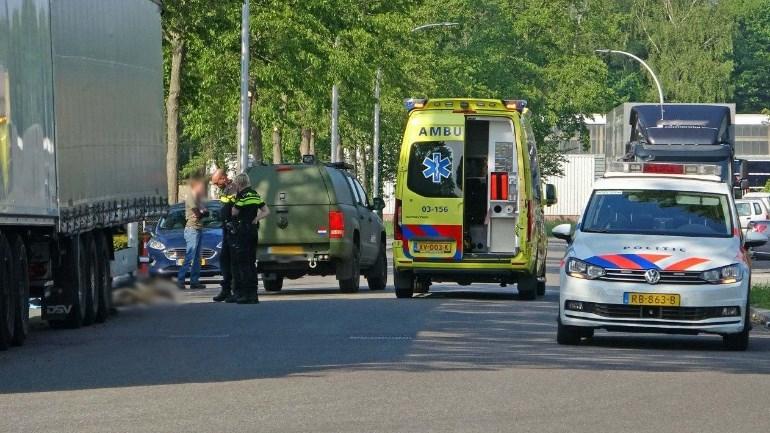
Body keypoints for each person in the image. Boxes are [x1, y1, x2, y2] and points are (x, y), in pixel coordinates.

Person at [229, 173, 270, 304]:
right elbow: (266, 211)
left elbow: (234, 212)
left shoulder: (242, 195)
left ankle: (246, 294)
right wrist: (256, 218)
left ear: (239, 183)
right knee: (252, 262)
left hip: (243, 231)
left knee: (243, 262)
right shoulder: (255, 194)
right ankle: (254, 294)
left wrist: (234, 202)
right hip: (253, 231)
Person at [211, 169, 239, 303]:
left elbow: (233, 208)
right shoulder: (225, 189)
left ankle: (234, 290)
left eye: (217, 183)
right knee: (224, 260)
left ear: (223, 178)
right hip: (226, 228)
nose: (217, 186)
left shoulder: (233, 188)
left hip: (233, 228)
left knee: (232, 261)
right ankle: (226, 289)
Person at [177, 177, 208, 290]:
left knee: (197, 258)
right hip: (192, 229)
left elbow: (205, 212)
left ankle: (194, 281)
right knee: (190, 256)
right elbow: (199, 213)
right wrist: (201, 212)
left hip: (199, 228)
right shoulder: (191, 197)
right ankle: (180, 280)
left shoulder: (198, 198)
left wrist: (202, 212)